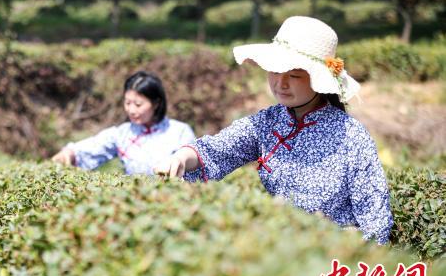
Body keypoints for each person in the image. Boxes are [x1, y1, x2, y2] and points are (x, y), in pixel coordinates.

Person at [155, 16, 393, 244]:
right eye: (275, 71)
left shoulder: (351, 135)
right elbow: (218, 149)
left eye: (294, 75)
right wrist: (181, 158)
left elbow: (375, 220)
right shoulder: (267, 121)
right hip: (278, 249)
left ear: (319, 80)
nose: (281, 83)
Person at [52, 71, 196, 175]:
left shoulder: (180, 132)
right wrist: (69, 153)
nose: (131, 110)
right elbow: (93, 147)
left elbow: (194, 169)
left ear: (156, 103)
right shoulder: (122, 134)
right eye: (127, 103)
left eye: (138, 104)